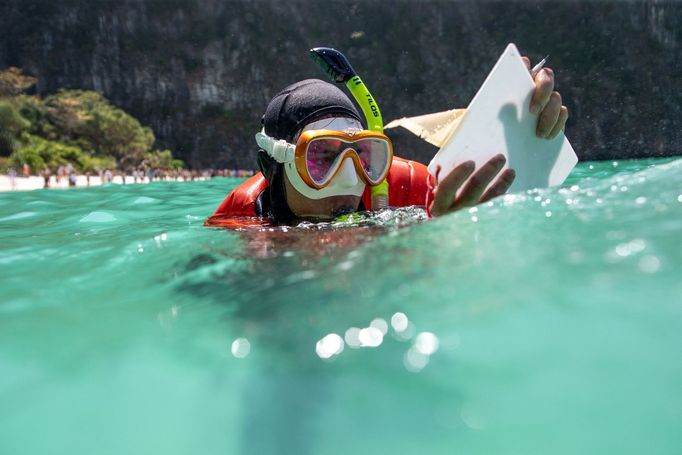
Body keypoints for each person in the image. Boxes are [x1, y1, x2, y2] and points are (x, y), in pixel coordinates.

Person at [207, 58, 567, 226]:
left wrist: (525, 141)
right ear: (272, 168)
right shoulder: (239, 220)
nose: (351, 179)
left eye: (362, 154)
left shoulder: (414, 189)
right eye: (322, 157)